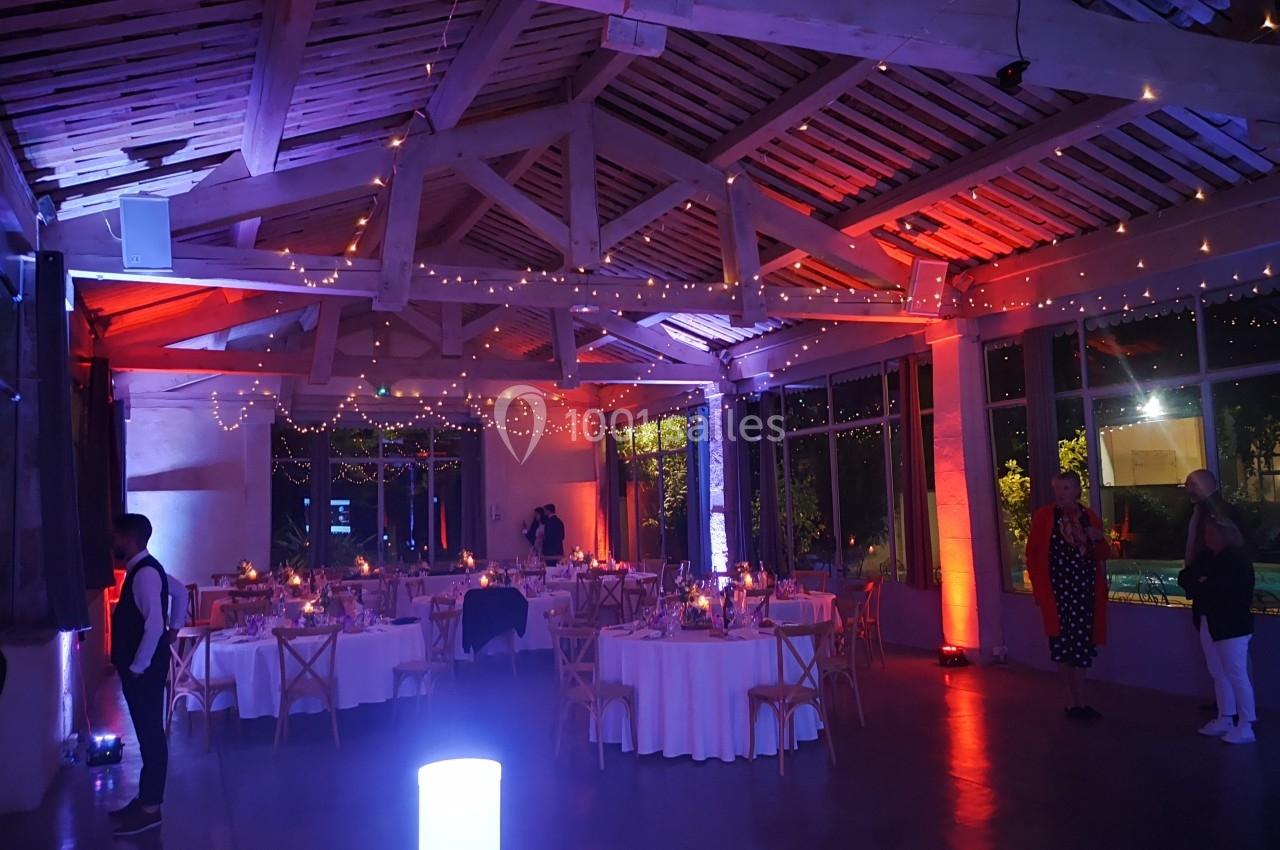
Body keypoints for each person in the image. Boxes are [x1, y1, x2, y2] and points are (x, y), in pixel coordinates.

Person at [107, 513, 172, 837]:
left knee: (151, 736)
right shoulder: (146, 569)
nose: (113, 542)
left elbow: (154, 625)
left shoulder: (144, 574)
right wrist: (172, 630)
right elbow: (179, 592)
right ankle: (146, 800)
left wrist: (137, 666)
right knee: (148, 735)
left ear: (129, 540)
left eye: (116, 536)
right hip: (144, 669)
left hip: (143, 672)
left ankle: (151, 809)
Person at [1027, 471, 1112, 719]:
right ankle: (1071, 701)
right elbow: (1033, 553)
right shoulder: (1046, 517)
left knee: (1081, 646)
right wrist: (1039, 589)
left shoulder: (1088, 517)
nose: (1061, 493)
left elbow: (1100, 554)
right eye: (1058, 488)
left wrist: (1098, 539)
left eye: (1066, 488)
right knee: (1063, 646)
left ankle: (1081, 701)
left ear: (1076, 490)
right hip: (1059, 592)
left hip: (1083, 591)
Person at [1178, 500, 1257, 744]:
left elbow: (1220, 589)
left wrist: (1202, 584)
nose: (1207, 536)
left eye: (1211, 532)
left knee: (1235, 672)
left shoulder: (1235, 561)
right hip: (1210, 620)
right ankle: (1226, 716)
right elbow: (1186, 578)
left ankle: (1246, 723)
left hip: (1231, 624)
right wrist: (1201, 583)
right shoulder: (1209, 558)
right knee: (1219, 671)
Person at [541, 502, 565, 566]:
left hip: (549, 552)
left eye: (545, 510)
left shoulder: (549, 523)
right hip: (558, 550)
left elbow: (548, 537)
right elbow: (562, 536)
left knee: (550, 570)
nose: (544, 513)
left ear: (548, 511)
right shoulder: (560, 522)